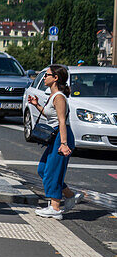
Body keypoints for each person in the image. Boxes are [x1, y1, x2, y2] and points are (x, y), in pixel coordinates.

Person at [26, 65, 82, 219]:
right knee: (43, 169)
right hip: (55, 136)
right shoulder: (53, 96)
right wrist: (36, 105)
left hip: (61, 136)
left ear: (55, 78)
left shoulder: (59, 97)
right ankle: (70, 195)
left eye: (46, 75)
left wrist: (63, 144)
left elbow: (62, 122)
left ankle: (55, 208)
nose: (44, 77)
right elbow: (51, 116)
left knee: (52, 171)